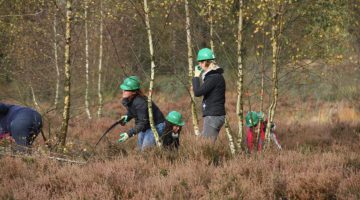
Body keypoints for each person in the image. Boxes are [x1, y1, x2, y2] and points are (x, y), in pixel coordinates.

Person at [117, 76, 166, 151]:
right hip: (145, 126)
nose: (123, 91)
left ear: (134, 92)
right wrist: (127, 117)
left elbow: (142, 123)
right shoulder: (128, 99)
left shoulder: (141, 102)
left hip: (155, 126)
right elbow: (133, 111)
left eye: (126, 90)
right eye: (123, 89)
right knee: (139, 150)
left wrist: (128, 134)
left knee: (146, 150)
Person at [192, 48, 226, 143]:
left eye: (200, 62)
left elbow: (197, 92)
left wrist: (196, 76)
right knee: (204, 142)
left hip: (213, 116)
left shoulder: (213, 77)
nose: (199, 64)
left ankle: (206, 158)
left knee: (205, 145)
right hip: (215, 115)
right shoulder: (215, 76)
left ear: (206, 62)